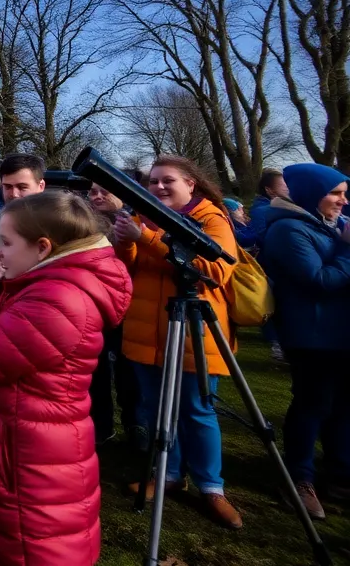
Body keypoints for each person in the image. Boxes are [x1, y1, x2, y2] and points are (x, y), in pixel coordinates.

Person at [0, 192, 132, 566]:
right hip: (22, 454)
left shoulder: (57, 299)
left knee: (42, 561)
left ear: (43, 247)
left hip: (32, 470)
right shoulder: (39, 283)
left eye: (6, 243)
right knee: (23, 561)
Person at [113, 155, 242, 528]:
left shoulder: (211, 218)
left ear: (191, 184)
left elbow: (216, 269)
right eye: (153, 181)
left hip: (190, 333)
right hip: (145, 331)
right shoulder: (142, 217)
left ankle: (211, 487)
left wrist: (147, 239)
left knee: (197, 411)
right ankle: (169, 474)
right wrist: (126, 243)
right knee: (156, 409)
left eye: (168, 180)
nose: (159, 187)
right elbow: (129, 268)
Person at [257, 163, 350, 521]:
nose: (343, 201)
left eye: (344, 193)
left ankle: (341, 475)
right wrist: (347, 250)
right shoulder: (289, 230)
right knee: (312, 406)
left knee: (343, 407)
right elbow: (318, 280)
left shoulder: (329, 225)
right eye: (336, 193)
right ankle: (299, 478)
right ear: (312, 194)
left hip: (340, 334)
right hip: (311, 336)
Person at [86, 184, 142, 449]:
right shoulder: (85, 222)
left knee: (129, 369)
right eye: (92, 192)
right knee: (96, 370)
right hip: (94, 306)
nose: (97, 196)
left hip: (132, 309)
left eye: (103, 191)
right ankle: (101, 425)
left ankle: (136, 424)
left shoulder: (136, 221)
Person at [0, 154, 46, 248]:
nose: (14, 194)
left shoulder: (60, 224)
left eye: (22, 187)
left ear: (41, 186)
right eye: (8, 187)